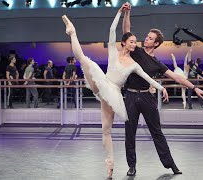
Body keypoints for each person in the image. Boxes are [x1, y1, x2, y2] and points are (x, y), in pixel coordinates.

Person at [61, 5, 169, 179]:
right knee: (84, 60)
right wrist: (119, 12)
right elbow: (112, 30)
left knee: (106, 130)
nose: (135, 44)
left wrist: (161, 87)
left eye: (136, 41)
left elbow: (148, 79)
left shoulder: (134, 64)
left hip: (114, 94)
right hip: (104, 83)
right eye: (132, 41)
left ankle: (109, 164)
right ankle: (72, 32)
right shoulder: (113, 51)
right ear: (124, 42)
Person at [122, 2, 203, 176]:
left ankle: (171, 165)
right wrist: (127, 13)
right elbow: (126, 32)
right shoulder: (136, 51)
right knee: (129, 134)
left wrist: (194, 87)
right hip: (130, 97)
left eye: (150, 38)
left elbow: (176, 77)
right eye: (147, 36)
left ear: (156, 44)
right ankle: (132, 166)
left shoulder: (156, 64)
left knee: (157, 133)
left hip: (147, 98)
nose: (146, 39)